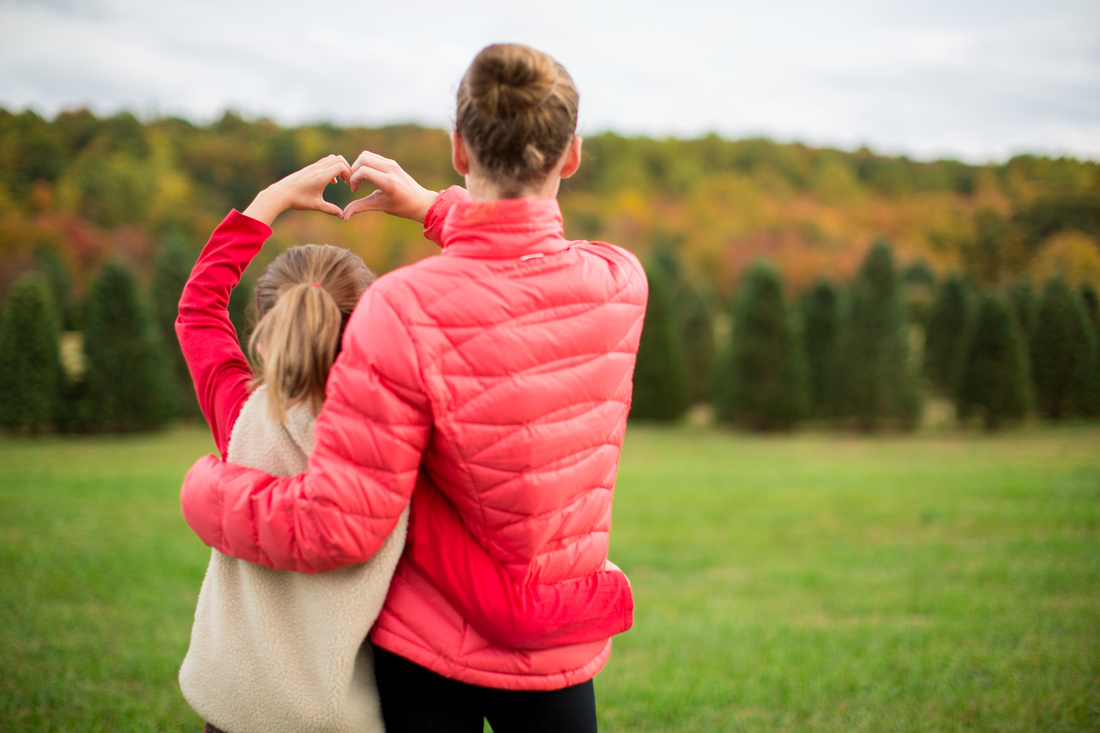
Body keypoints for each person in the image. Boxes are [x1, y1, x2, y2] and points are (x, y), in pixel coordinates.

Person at [180, 43, 647, 732]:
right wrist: (435, 209)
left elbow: (342, 521)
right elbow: (528, 269)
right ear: (571, 155)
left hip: (429, 647)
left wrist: (205, 488)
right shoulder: (619, 283)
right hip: (558, 641)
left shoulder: (401, 306)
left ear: (460, 148)